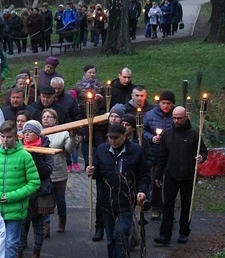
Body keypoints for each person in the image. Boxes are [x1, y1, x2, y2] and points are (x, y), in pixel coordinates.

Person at [86, 124, 150, 258]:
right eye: (110, 138)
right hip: (106, 200)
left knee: (120, 234)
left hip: (126, 200)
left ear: (124, 136)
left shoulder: (136, 150)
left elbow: (144, 174)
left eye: (116, 138)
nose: (113, 141)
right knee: (110, 239)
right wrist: (91, 171)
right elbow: (97, 171)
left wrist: (142, 190)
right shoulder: (101, 150)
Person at [0, 120, 40, 258]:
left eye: (8, 137)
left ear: (16, 137)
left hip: (15, 210)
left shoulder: (25, 156)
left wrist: (11, 196)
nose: (5, 140)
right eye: (2, 136)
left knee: (11, 244)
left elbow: (34, 183)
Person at [154, 106, 207, 245]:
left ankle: (184, 232)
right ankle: (165, 234)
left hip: (188, 176)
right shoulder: (167, 134)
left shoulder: (194, 134)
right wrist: (158, 175)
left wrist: (201, 157)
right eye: (175, 118)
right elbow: (162, 156)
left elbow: (203, 151)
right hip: (171, 175)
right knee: (168, 205)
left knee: (186, 205)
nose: (177, 121)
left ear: (185, 117)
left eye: (179, 118)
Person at [17, 120, 53, 258]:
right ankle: (20, 249)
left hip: (40, 191)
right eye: (25, 132)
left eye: (30, 132)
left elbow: (47, 172)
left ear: (37, 134)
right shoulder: (19, 148)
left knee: (38, 223)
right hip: (23, 190)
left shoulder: (46, 149)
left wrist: (35, 157)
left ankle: (36, 251)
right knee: (22, 222)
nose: (26, 134)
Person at [41, 109, 78, 234]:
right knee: (44, 198)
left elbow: (70, 149)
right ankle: (45, 224)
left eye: (49, 117)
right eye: (44, 116)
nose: (45, 119)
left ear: (55, 119)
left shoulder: (63, 133)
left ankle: (62, 219)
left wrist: (73, 136)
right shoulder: (38, 132)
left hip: (59, 171)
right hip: (44, 172)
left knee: (60, 199)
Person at [143, 90, 175, 220]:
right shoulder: (150, 115)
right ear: (159, 103)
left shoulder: (176, 116)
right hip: (155, 153)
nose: (166, 106)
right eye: (163, 103)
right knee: (155, 181)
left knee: (170, 183)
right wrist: (151, 138)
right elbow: (142, 130)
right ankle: (156, 207)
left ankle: (169, 209)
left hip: (172, 154)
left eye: (168, 103)